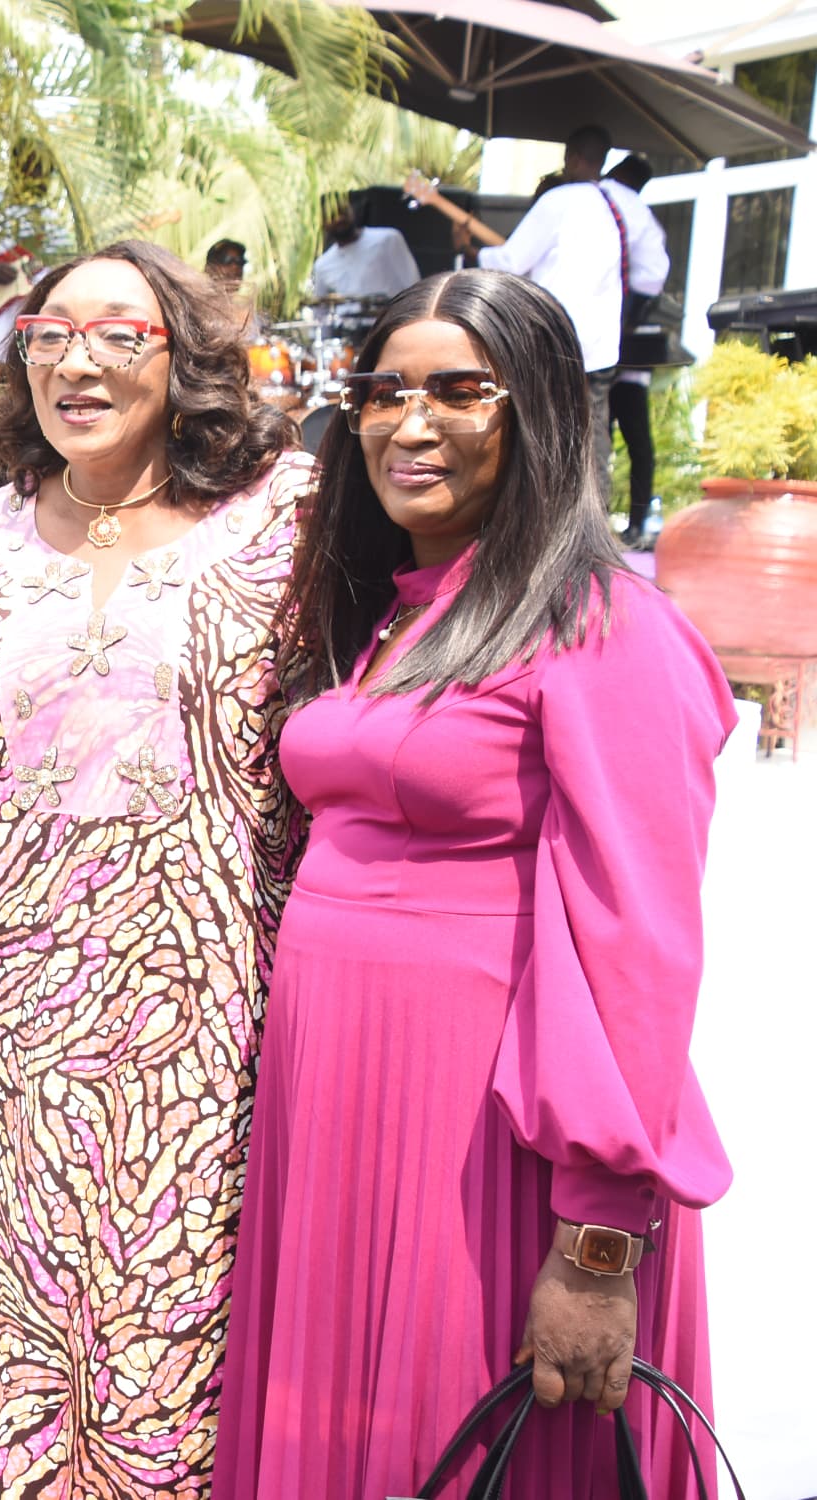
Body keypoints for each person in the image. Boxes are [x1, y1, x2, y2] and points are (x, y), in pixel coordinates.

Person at [215, 270, 732, 1498]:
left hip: (489, 1141)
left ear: (538, 410)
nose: (411, 423)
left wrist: (597, 1240)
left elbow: (636, 943)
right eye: (384, 392)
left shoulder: (601, 627)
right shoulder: (382, 614)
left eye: (458, 391)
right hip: (333, 1117)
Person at [0, 241, 311, 1494]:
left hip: (197, 1049)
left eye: (118, 335)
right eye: (49, 334)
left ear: (184, 359)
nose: (75, 361)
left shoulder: (287, 525)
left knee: (164, 1387)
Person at [407, 126, 666, 493]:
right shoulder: (620, 205)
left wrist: (469, 251)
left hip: (553, 339)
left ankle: (540, 508)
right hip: (601, 345)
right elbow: (654, 273)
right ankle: (596, 512)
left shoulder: (559, 200)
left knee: (540, 430)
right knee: (593, 433)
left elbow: (511, 261)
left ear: (572, 158)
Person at [604, 155, 672, 546]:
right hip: (626, 346)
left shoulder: (604, 202)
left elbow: (651, 276)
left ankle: (614, 521)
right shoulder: (642, 217)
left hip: (609, 347)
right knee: (636, 444)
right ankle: (634, 524)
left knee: (601, 440)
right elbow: (655, 275)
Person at [308, 196, 421, 302]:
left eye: (343, 212)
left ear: (351, 211)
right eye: (332, 216)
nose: (339, 219)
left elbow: (414, 285)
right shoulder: (322, 265)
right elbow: (320, 308)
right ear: (323, 223)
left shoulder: (388, 239)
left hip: (391, 314)